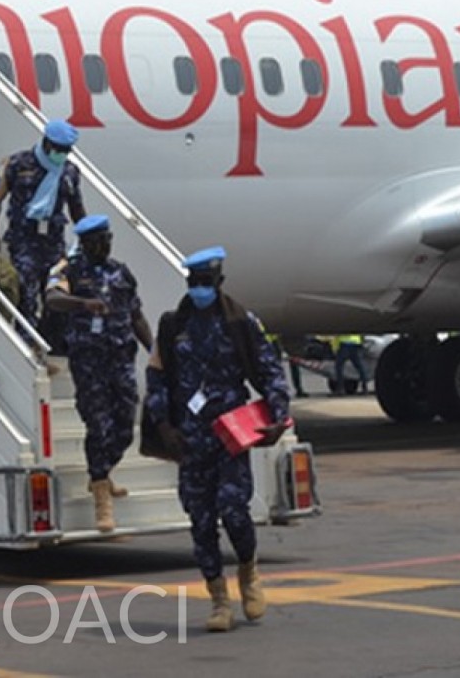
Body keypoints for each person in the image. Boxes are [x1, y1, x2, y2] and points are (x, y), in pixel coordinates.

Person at [143, 247, 291, 632]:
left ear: (219, 282)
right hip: (189, 439)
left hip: (231, 433)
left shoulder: (241, 322)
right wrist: (163, 427)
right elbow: (157, 378)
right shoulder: (173, 325)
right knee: (201, 520)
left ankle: (248, 568)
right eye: (193, 283)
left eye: (206, 283)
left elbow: (269, 371)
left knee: (234, 509)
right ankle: (218, 599)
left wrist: (278, 417)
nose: (199, 289)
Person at [45, 215, 153, 532]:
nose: (105, 246)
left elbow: (136, 314)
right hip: (89, 359)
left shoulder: (120, 272)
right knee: (98, 423)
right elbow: (52, 299)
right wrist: (83, 304)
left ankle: (102, 472)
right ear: (86, 243)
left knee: (124, 425)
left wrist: (154, 349)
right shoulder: (69, 270)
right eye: (98, 241)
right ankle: (101, 494)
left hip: (120, 357)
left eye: (108, 240)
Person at [0, 120, 87, 328]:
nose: (63, 154)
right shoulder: (16, 164)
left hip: (54, 245)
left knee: (56, 299)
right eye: (60, 149)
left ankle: (50, 343)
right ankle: (26, 343)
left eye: (67, 150)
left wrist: (87, 238)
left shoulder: (69, 172)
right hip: (24, 242)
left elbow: (77, 208)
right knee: (26, 297)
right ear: (47, 143)